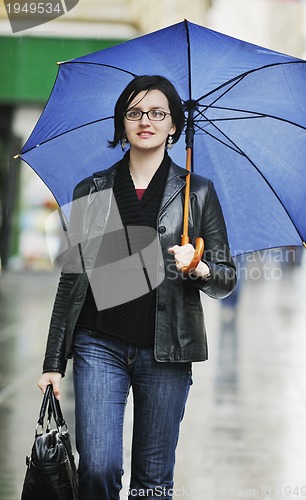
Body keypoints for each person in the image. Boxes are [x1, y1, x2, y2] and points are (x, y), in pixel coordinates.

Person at [38, 75, 236, 500]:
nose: (145, 120)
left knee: (152, 483)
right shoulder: (92, 189)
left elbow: (226, 278)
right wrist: (53, 362)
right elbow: (72, 280)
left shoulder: (196, 193)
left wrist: (197, 268)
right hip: (98, 343)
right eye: (134, 112)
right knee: (99, 468)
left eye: (157, 113)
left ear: (173, 126)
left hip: (167, 349)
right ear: (122, 123)